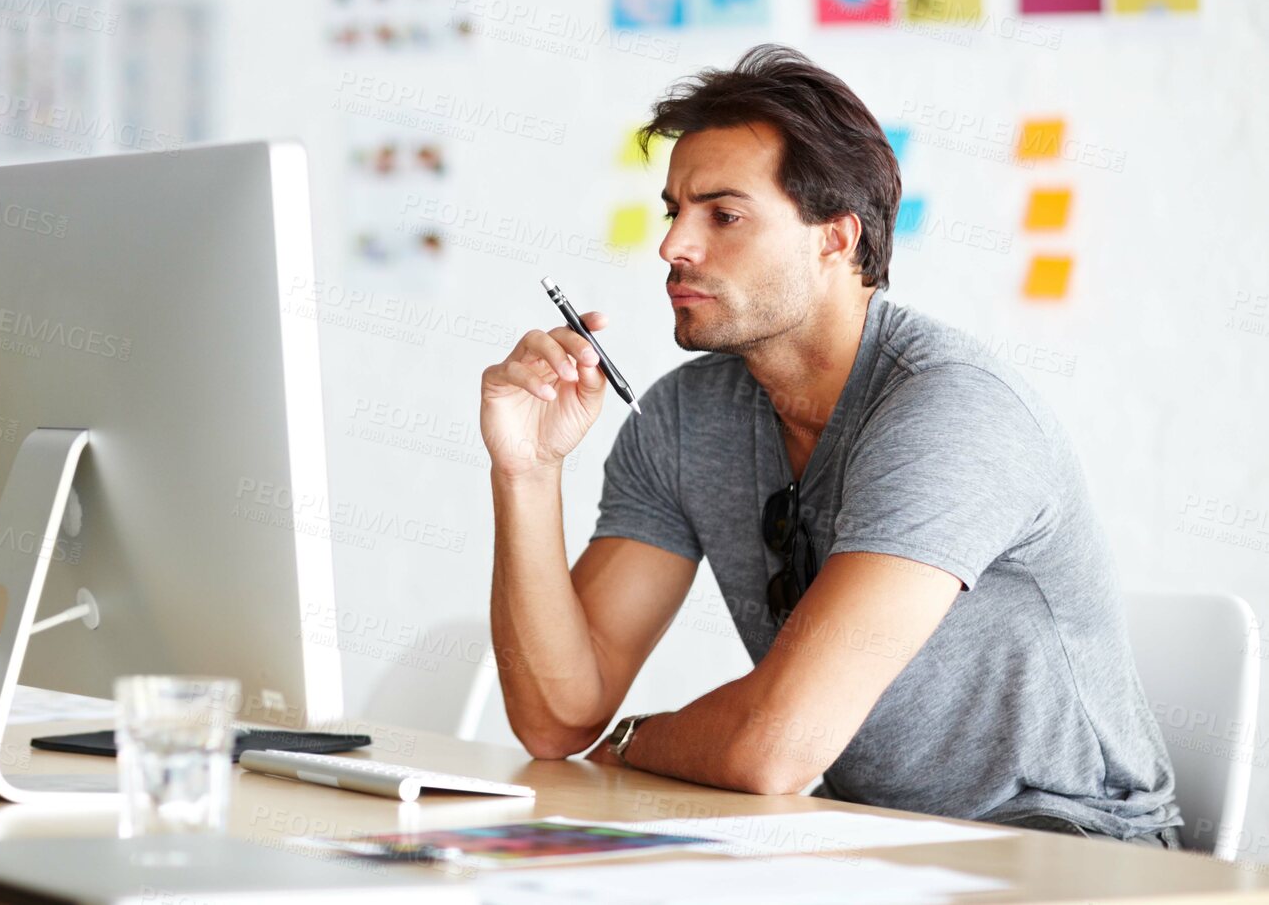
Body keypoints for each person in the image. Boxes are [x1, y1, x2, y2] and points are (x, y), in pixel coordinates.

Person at [479, 45, 1181, 846]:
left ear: (835, 237)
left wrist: (632, 742)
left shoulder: (951, 411)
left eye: (723, 214)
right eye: (674, 210)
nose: (673, 245)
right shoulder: (683, 417)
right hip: (863, 838)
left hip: (1072, 850)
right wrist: (527, 470)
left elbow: (772, 747)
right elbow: (558, 715)